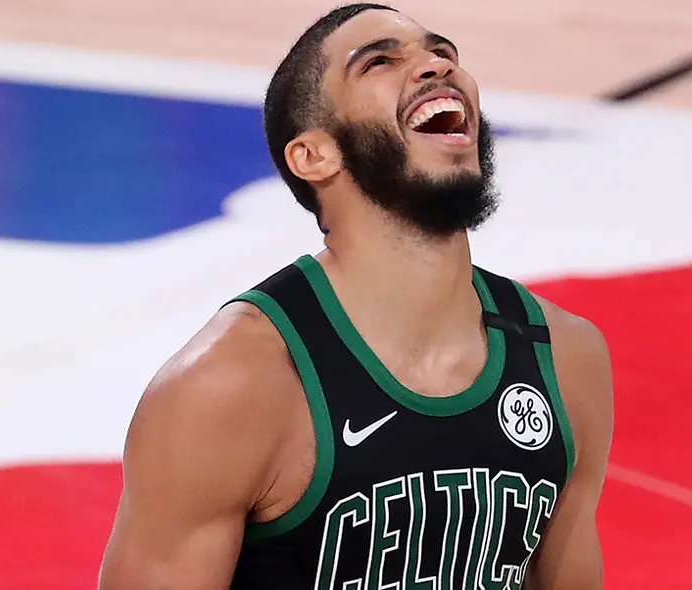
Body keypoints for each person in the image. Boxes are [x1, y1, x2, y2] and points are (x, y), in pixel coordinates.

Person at [97, 3, 614, 589]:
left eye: (441, 53)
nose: (433, 67)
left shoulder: (566, 356)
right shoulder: (230, 387)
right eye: (379, 63)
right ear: (314, 155)